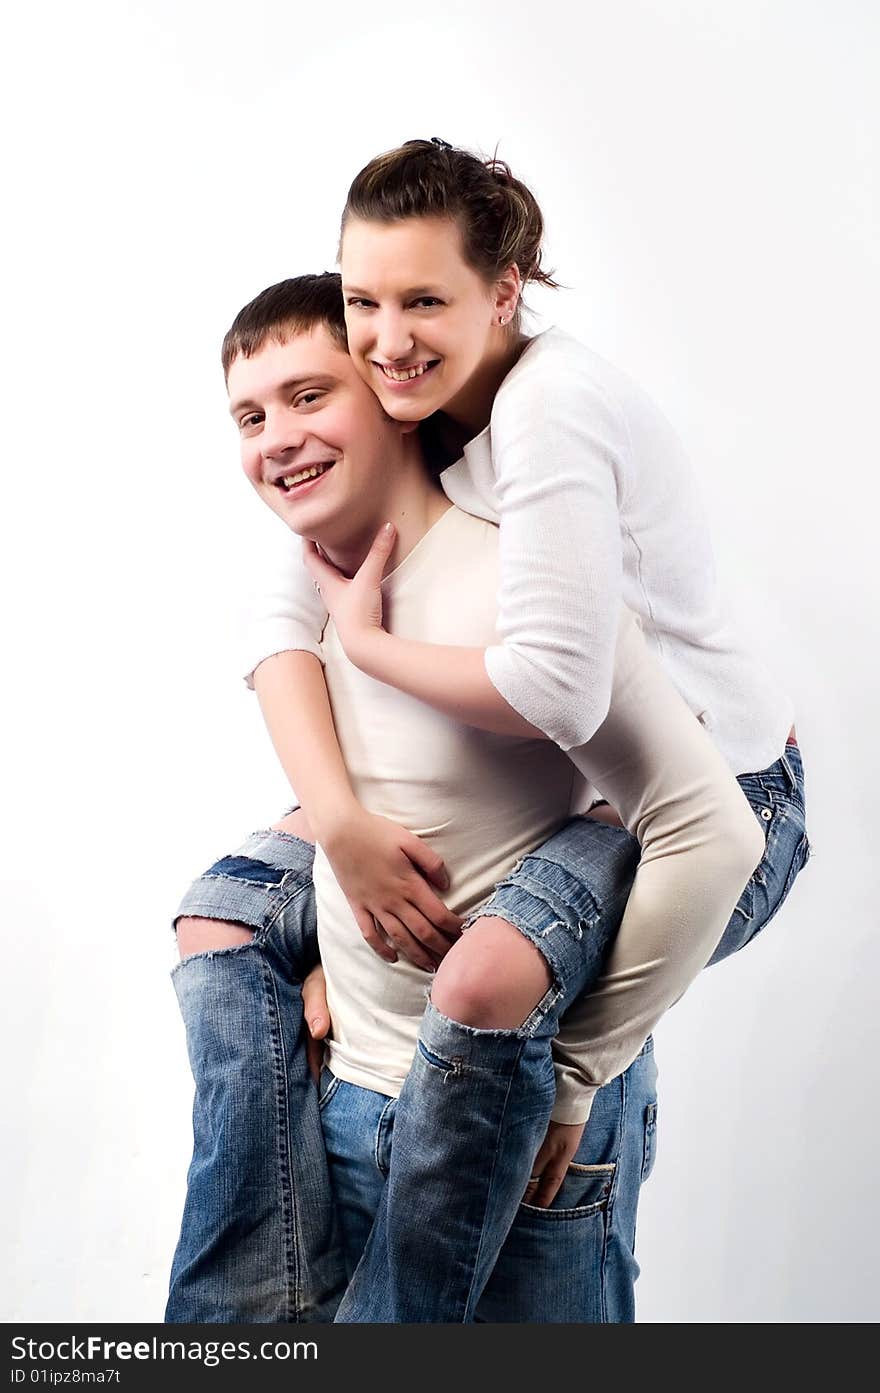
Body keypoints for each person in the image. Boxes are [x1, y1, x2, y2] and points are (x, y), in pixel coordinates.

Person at [166, 259, 808, 1323]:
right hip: (344, 1102)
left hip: (514, 1121)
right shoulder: (310, 578)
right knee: (218, 923)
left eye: (310, 396)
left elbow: (710, 830)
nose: (274, 435)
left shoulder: (532, 588)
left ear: (394, 394)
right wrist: (324, 907)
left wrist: (575, 1079)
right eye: (247, 415)